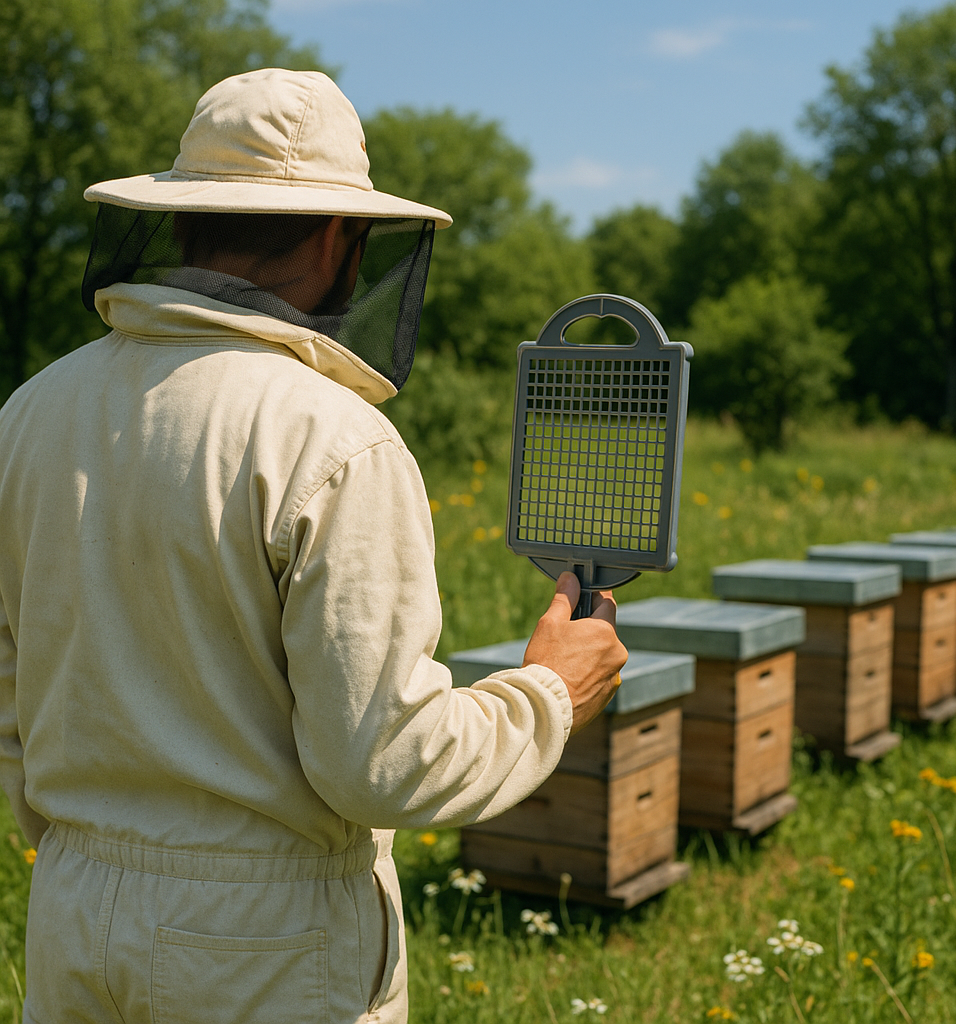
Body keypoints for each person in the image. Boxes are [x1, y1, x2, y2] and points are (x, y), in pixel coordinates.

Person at [0, 68, 626, 1023]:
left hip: (70, 915)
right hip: (265, 944)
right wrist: (547, 693)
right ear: (343, 234)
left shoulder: (30, 413)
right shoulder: (332, 438)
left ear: (182, 220)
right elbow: (382, 761)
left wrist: (95, 841)